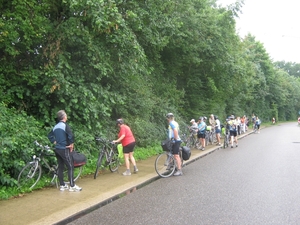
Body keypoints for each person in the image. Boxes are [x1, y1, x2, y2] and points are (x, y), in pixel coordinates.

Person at [48, 110, 82, 192]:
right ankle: (72, 186)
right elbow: (70, 136)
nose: (66, 117)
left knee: (61, 167)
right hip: (64, 149)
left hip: (57, 149)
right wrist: (71, 144)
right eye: (66, 115)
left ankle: (62, 185)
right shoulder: (65, 126)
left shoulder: (55, 126)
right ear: (64, 117)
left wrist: (54, 141)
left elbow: (49, 135)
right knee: (70, 166)